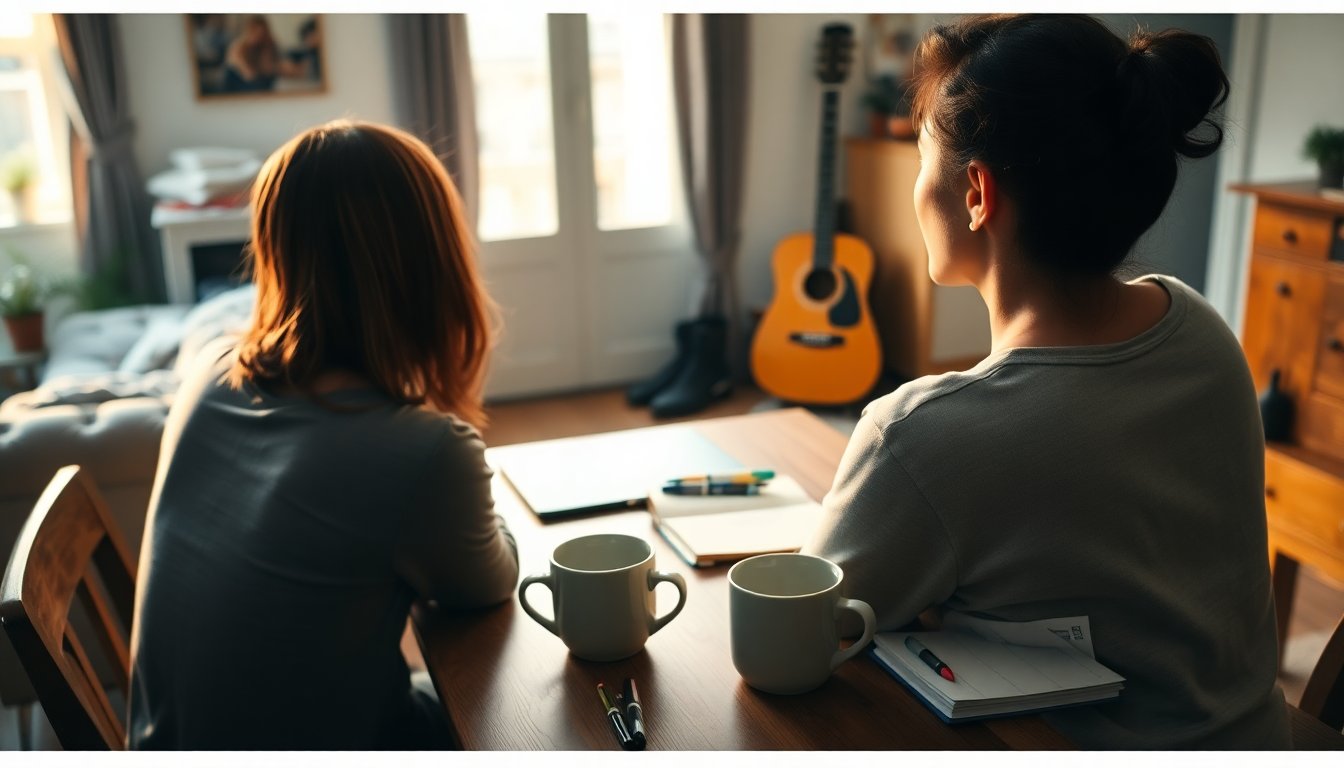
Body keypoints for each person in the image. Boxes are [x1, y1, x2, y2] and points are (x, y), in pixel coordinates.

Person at [803, 15, 1290, 749]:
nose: (915, 186)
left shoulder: (920, 438)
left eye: (922, 157)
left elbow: (799, 637)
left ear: (977, 191)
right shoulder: (1201, 330)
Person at [128, 120, 518, 749]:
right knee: (528, 715)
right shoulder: (423, 451)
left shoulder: (209, 373)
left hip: (168, 744)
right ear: (433, 263)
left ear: (277, 252)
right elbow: (487, 585)